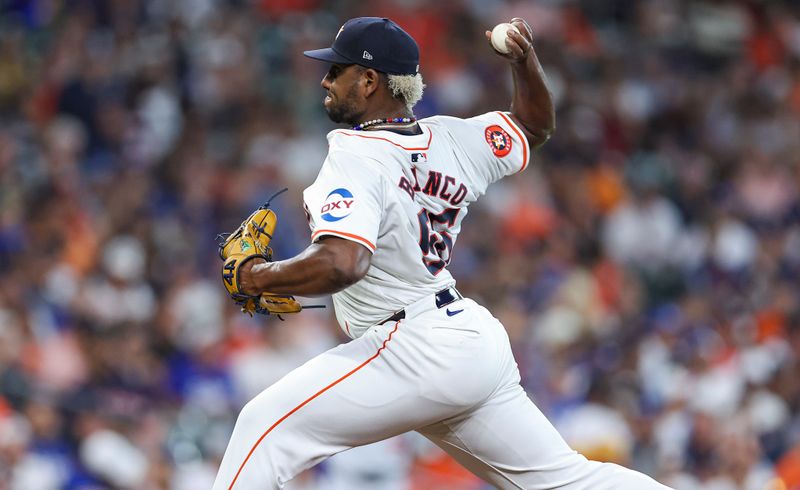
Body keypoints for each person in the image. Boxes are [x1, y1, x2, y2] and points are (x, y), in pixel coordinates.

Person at [212, 16, 672, 490]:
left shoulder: (355, 154)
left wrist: (255, 277)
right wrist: (524, 60)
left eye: (338, 70)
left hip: (414, 347)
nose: (326, 80)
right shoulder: (453, 138)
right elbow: (534, 125)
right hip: (467, 341)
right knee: (567, 479)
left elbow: (343, 262)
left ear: (370, 81)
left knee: (262, 428)